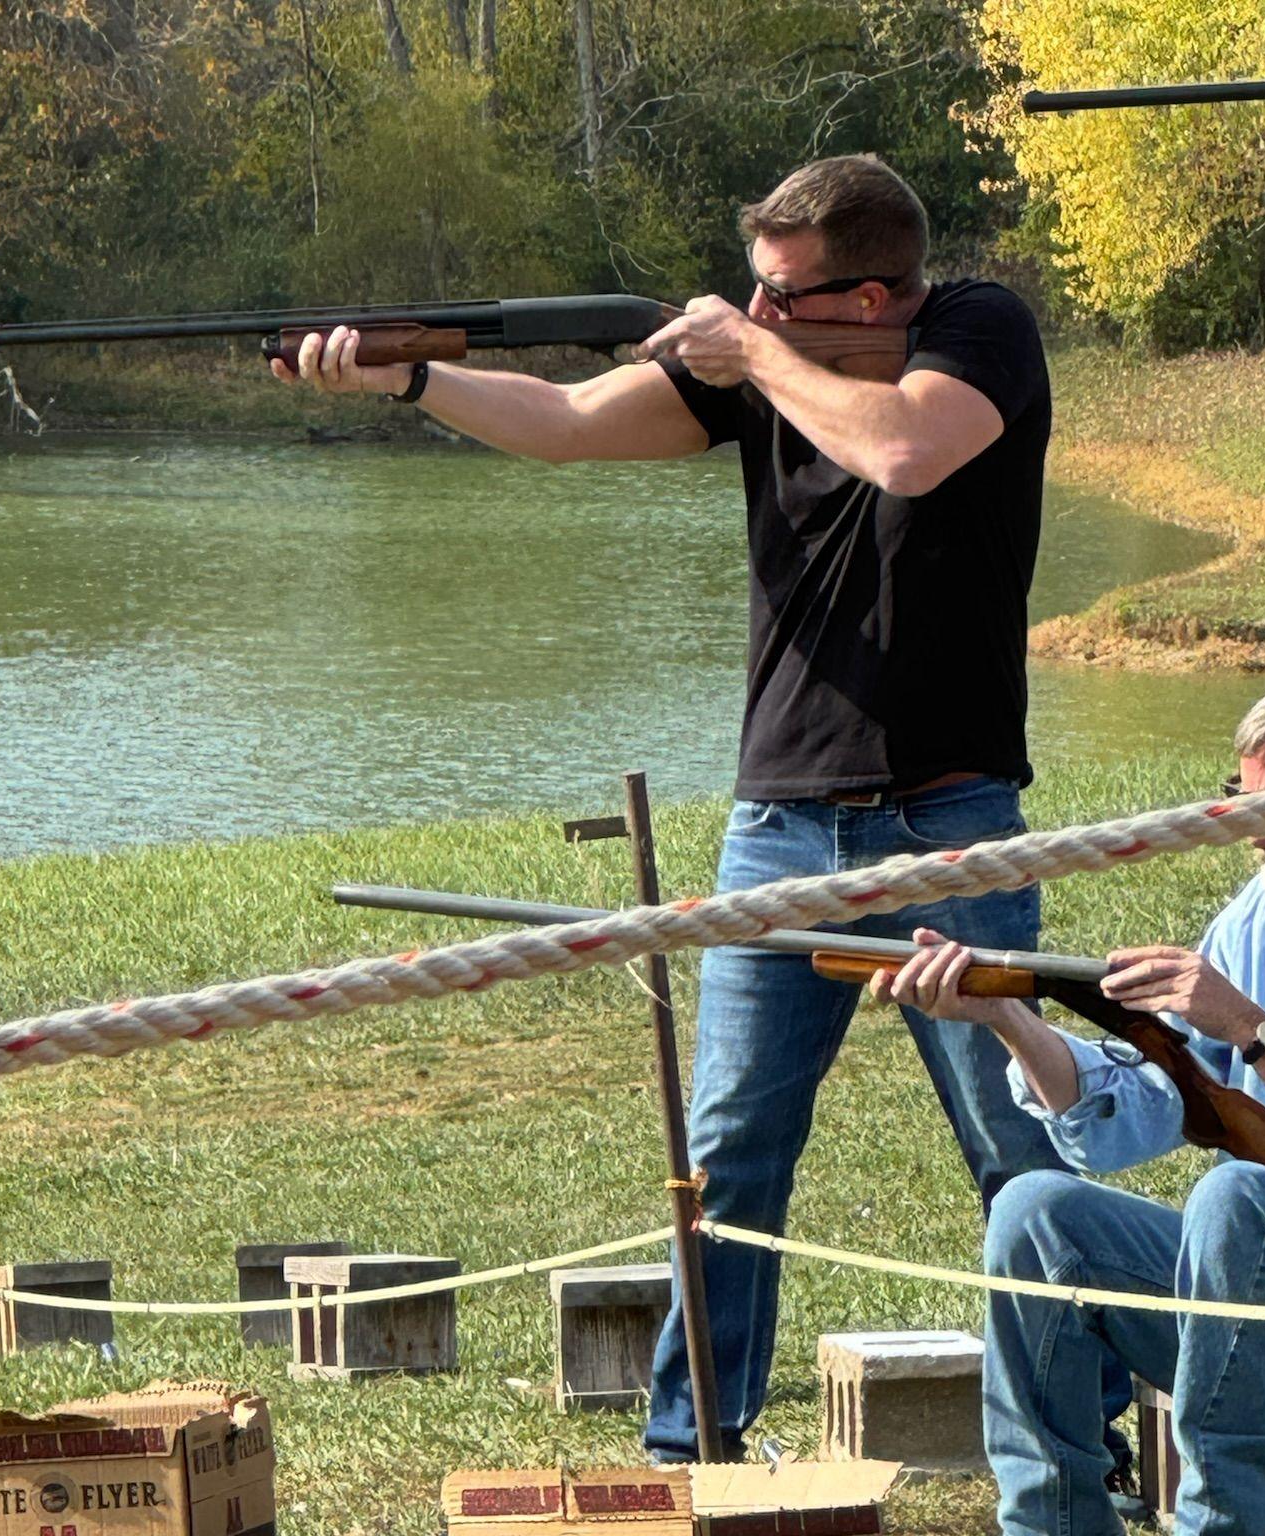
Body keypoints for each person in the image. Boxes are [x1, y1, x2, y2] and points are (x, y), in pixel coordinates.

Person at [274, 153, 1075, 1462]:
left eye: (781, 294)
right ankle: (692, 1439)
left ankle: (1075, 1421)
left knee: (1016, 1138)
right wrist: (408, 377)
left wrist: (748, 357)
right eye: (750, 295)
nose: (754, 315)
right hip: (783, 819)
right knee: (730, 1149)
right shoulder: (768, 372)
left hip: (949, 818)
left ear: (874, 296)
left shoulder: (978, 331)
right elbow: (568, 417)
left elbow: (905, 450)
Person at [873, 661, 1265, 1536]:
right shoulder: (1263, 914)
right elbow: (1141, 1109)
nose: (1257, 836)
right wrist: (1009, 1019)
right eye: (1238, 803)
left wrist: (1258, 1032)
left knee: (1240, 1200)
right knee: (1035, 1212)